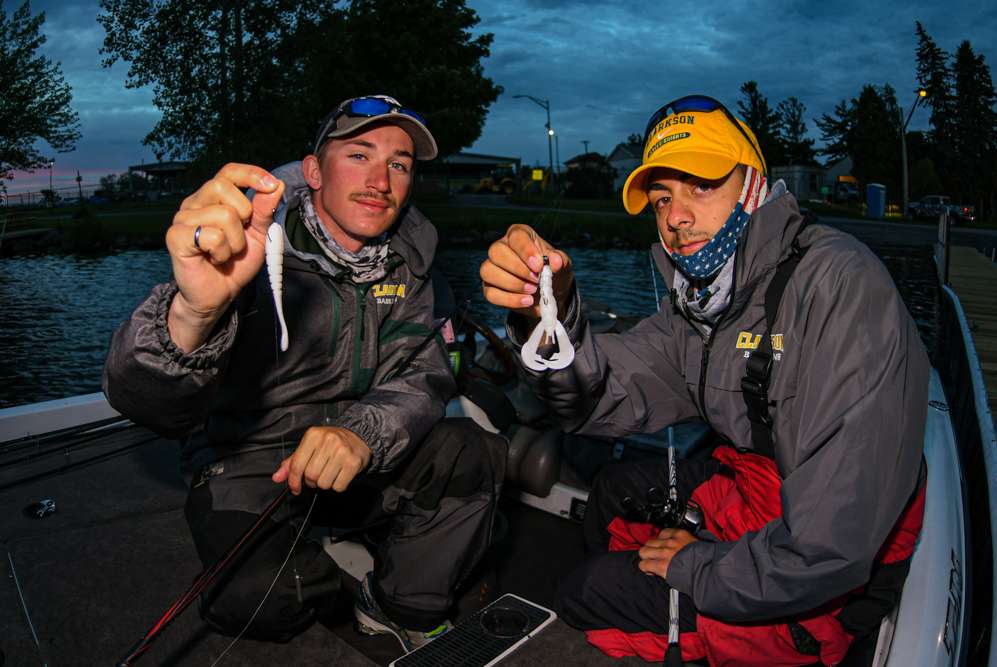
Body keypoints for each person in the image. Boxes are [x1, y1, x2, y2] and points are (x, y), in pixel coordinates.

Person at [480, 95, 928, 666]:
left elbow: (828, 547)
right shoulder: (705, 306)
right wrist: (551, 314)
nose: (676, 216)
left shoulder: (838, 288)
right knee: (612, 493)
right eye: (663, 196)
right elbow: (593, 400)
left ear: (752, 186)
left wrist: (691, 564)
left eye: (701, 186)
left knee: (582, 593)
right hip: (764, 494)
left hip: (832, 583)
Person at [104, 95, 506, 652]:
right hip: (245, 459)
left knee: (474, 448)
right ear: (314, 171)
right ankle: (319, 570)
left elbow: (424, 374)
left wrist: (361, 434)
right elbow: (143, 402)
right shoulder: (243, 243)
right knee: (252, 601)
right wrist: (194, 313)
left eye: (399, 164)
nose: (380, 180)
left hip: (354, 450)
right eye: (359, 154)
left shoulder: (412, 265)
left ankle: (400, 602)